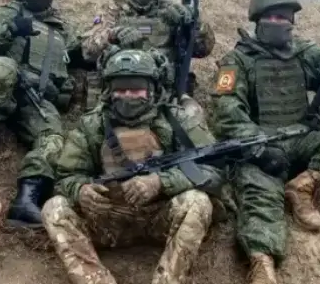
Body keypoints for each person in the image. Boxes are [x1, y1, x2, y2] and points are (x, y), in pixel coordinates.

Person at [209, 0, 320, 284]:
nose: (278, 23)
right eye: (272, 17)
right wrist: (259, 148)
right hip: (262, 146)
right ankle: (262, 263)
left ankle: (303, 185)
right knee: (259, 195)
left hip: (303, 138)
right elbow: (226, 113)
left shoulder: (303, 52)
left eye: (284, 17)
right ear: (258, 19)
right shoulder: (237, 61)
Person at [41, 47, 222, 284]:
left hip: (159, 217)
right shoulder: (92, 125)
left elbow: (214, 172)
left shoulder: (178, 121)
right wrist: (81, 190)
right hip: (107, 219)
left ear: (152, 89)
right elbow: (65, 177)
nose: (128, 95)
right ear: (109, 91)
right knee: (54, 208)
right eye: (120, 89)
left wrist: (160, 182)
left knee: (198, 202)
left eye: (136, 89)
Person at [0, 0, 81, 227]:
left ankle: (27, 198)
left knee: (53, 138)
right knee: (3, 67)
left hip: (33, 97)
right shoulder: (7, 13)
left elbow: (80, 53)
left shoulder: (62, 29)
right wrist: (11, 29)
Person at [78, 0, 215, 113]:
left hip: (164, 96)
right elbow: (87, 51)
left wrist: (194, 25)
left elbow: (203, 50)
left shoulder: (171, 11)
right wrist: (113, 35)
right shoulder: (113, 9)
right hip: (118, 95)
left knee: (193, 116)